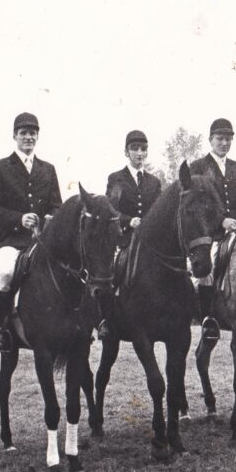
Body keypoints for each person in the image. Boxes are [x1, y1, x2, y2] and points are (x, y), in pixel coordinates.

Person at [0, 112, 63, 352]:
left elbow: (57, 204)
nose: (28, 137)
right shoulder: (0, 167)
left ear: (37, 136)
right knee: (6, 274)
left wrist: (51, 218)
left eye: (32, 133)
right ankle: (2, 329)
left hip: (43, 241)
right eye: (23, 133)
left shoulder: (47, 169)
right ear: (14, 136)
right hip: (13, 240)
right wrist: (19, 219)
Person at [189, 118, 236, 340]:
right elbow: (198, 204)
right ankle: (208, 318)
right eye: (220, 138)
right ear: (210, 139)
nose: (224, 143)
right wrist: (222, 221)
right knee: (207, 267)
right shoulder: (198, 167)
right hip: (210, 232)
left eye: (228, 139)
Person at [100, 129, 163, 339]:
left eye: (143, 149)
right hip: (124, 238)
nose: (139, 153)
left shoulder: (154, 182)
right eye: (135, 149)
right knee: (113, 270)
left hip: (149, 242)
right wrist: (129, 221)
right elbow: (110, 209)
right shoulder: (116, 178)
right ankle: (106, 320)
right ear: (126, 152)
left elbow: (159, 211)